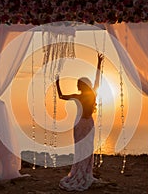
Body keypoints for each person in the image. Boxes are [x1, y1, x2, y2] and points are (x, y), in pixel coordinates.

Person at [56, 53, 104, 191]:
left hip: (84, 125)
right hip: (84, 125)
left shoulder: (85, 95)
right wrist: (57, 83)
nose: (78, 85)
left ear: (83, 85)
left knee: (84, 150)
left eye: (79, 83)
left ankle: (84, 172)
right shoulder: (88, 95)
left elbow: (61, 95)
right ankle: (83, 172)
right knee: (83, 149)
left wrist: (99, 63)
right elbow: (61, 96)